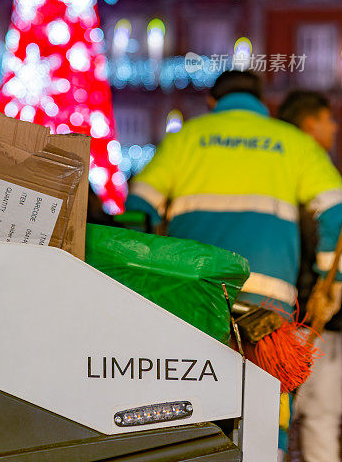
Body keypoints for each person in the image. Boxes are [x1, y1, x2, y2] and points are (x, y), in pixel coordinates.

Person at [127, 71, 342, 457]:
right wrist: (333, 282)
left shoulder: (186, 139)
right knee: (265, 399)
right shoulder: (293, 143)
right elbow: (336, 212)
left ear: (212, 102)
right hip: (269, 304)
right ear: (262, 102)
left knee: (191, 399)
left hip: (194, 296)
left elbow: (138, 209)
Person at [278, 90, 342, 462]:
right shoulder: (315, 171)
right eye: (328, 118)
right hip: (314, 318)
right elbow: (332, 226)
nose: (333, 127)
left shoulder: (274, 167)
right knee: (319, 419)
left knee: (272, 421)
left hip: (279, 313)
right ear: (310, 123)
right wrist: (329, 287)